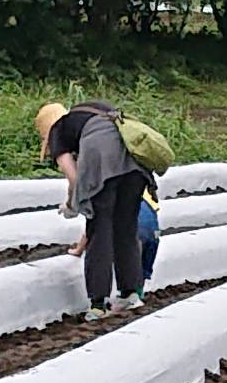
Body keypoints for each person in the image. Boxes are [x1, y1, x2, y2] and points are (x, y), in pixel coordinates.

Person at [35, 101, 155, 321]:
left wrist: (71, 206)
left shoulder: (59, 130)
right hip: (136, 166)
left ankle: (98, 304)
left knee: (100, 230)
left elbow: (75, 177)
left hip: (104, 166)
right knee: (126, 228)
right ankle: (131, 294)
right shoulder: (93, 112)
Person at [68, 186, 160, 298]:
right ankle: (138, 291)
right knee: (143, 264)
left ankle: (129, 294)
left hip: (134, 232)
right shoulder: (145, 195)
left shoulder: (114, 198)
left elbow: (91, 231)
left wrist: (78, 250)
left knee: (128, 258)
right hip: (153, 234)